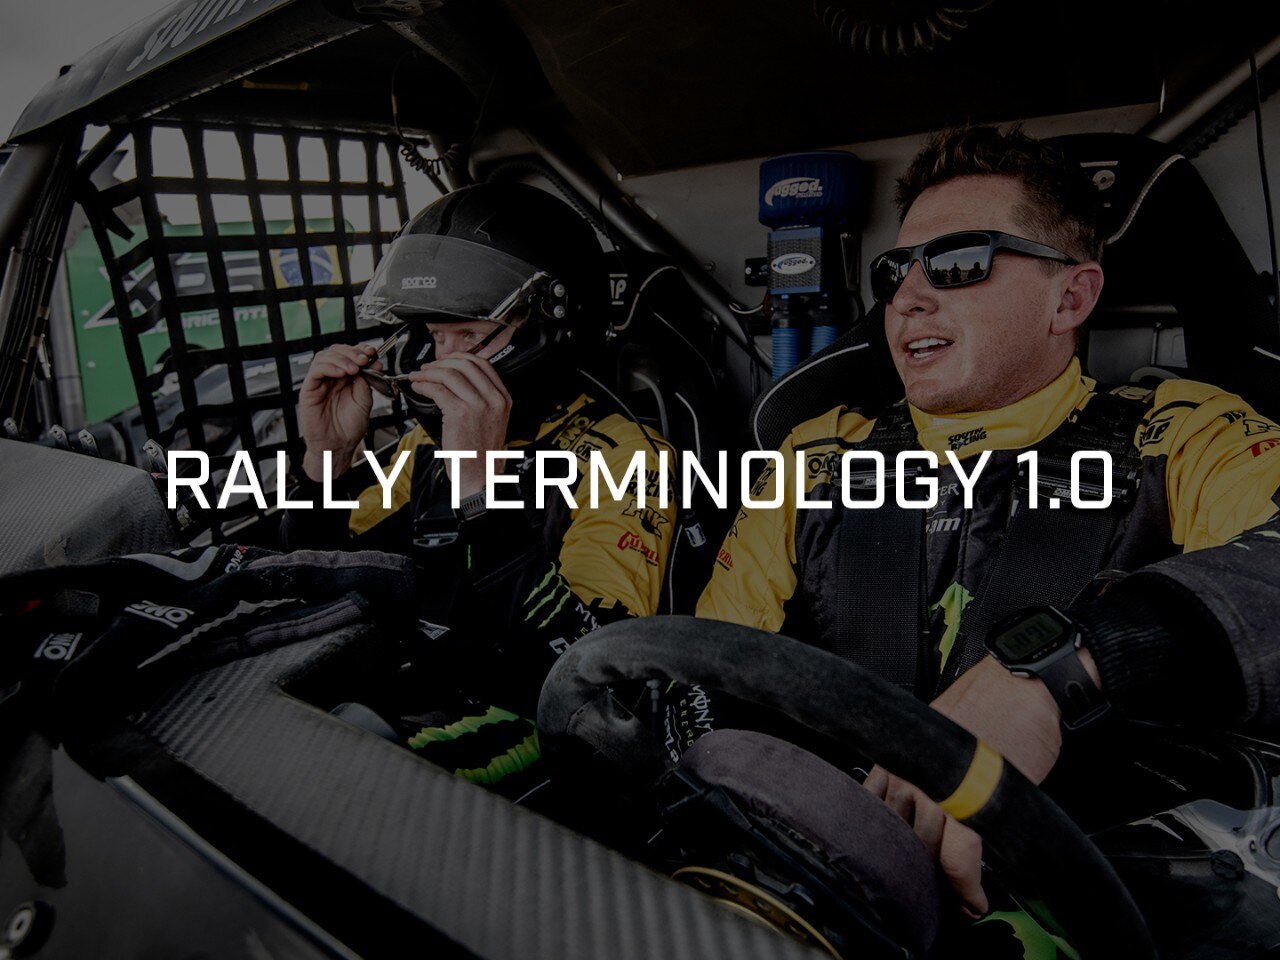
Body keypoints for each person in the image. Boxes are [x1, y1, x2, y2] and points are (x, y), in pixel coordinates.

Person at [697, 126, 1280, 927]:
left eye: (959, 262)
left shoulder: (1179, 436)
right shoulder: (820, 455)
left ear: (1070, 299)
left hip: (1083, 904)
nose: (907, 297)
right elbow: (713, 675)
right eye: (896, 271)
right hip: (820, 894)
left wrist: (1063, 667)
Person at [281, 182, 675, 797]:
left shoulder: (627, 457)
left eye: (470, 336)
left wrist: (481, 489)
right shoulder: (424, 444)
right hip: (411, 685)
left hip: (527, 725)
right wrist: (324, 462)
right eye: (436, 336)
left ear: (552, 327)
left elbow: (588, 675)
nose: (440, 362)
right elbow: (316, 578)